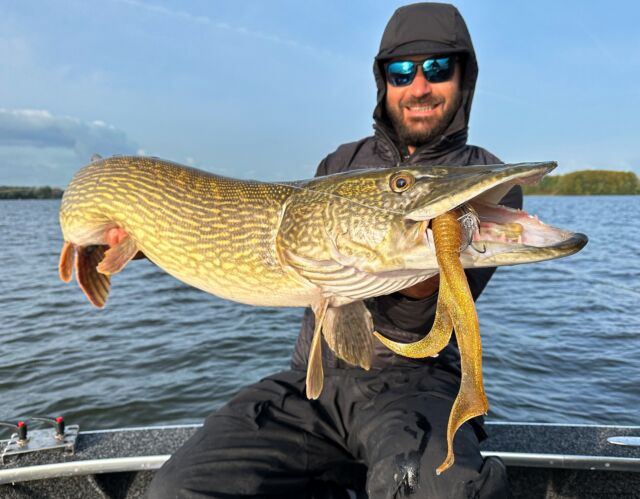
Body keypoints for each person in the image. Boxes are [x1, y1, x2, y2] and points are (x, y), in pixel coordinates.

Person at [148, 3, 519, 498]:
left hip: (415, 384)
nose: (419, 86)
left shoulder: (481, 183)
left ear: (463, 78)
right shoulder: (340, 162)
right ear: (384, 82)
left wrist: (426, 267)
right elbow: (312, 266)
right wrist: (144, 239)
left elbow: (421, 325)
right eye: (401, 71)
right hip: (313, 382)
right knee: (178, 488)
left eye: (437, 68)